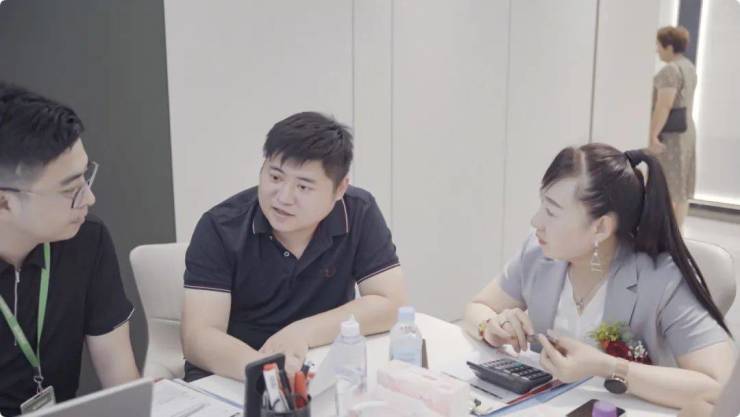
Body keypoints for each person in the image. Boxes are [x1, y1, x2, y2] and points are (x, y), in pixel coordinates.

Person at [464, 143, 735, 409]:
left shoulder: (663, 279)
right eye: (542, 205)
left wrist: (609, 367)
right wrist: (491, 327)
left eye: (551, 211)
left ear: (601, 227)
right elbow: (478, 307)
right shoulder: (537, 253)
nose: (536, 221)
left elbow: (719, 387)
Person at [181, 111, 408, 381]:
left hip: (317, 368)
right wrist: (270, 374)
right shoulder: (220, 227)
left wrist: (302, 332)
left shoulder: (358, 211)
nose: (283, 198)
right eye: (276, 177)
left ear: (339, 189)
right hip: (234, 376)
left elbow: (390, 304)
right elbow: (199, 337)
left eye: (303, 187)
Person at [0, 83, 139, 416]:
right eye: (69, 189)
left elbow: (120, 377)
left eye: (85, 176)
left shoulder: (87, 239)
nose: (89, 198)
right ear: (4, 201)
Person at [649, 26, 697, 227]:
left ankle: (664, 233)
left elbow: (664, 106)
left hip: (671, 136)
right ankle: (676, 233)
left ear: (669, 47)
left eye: (659, 46)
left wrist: (653, 135)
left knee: (666, 185)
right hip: (686, 132)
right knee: (681, 188)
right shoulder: (688, 67)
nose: (657, 50)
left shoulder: (670, 70)